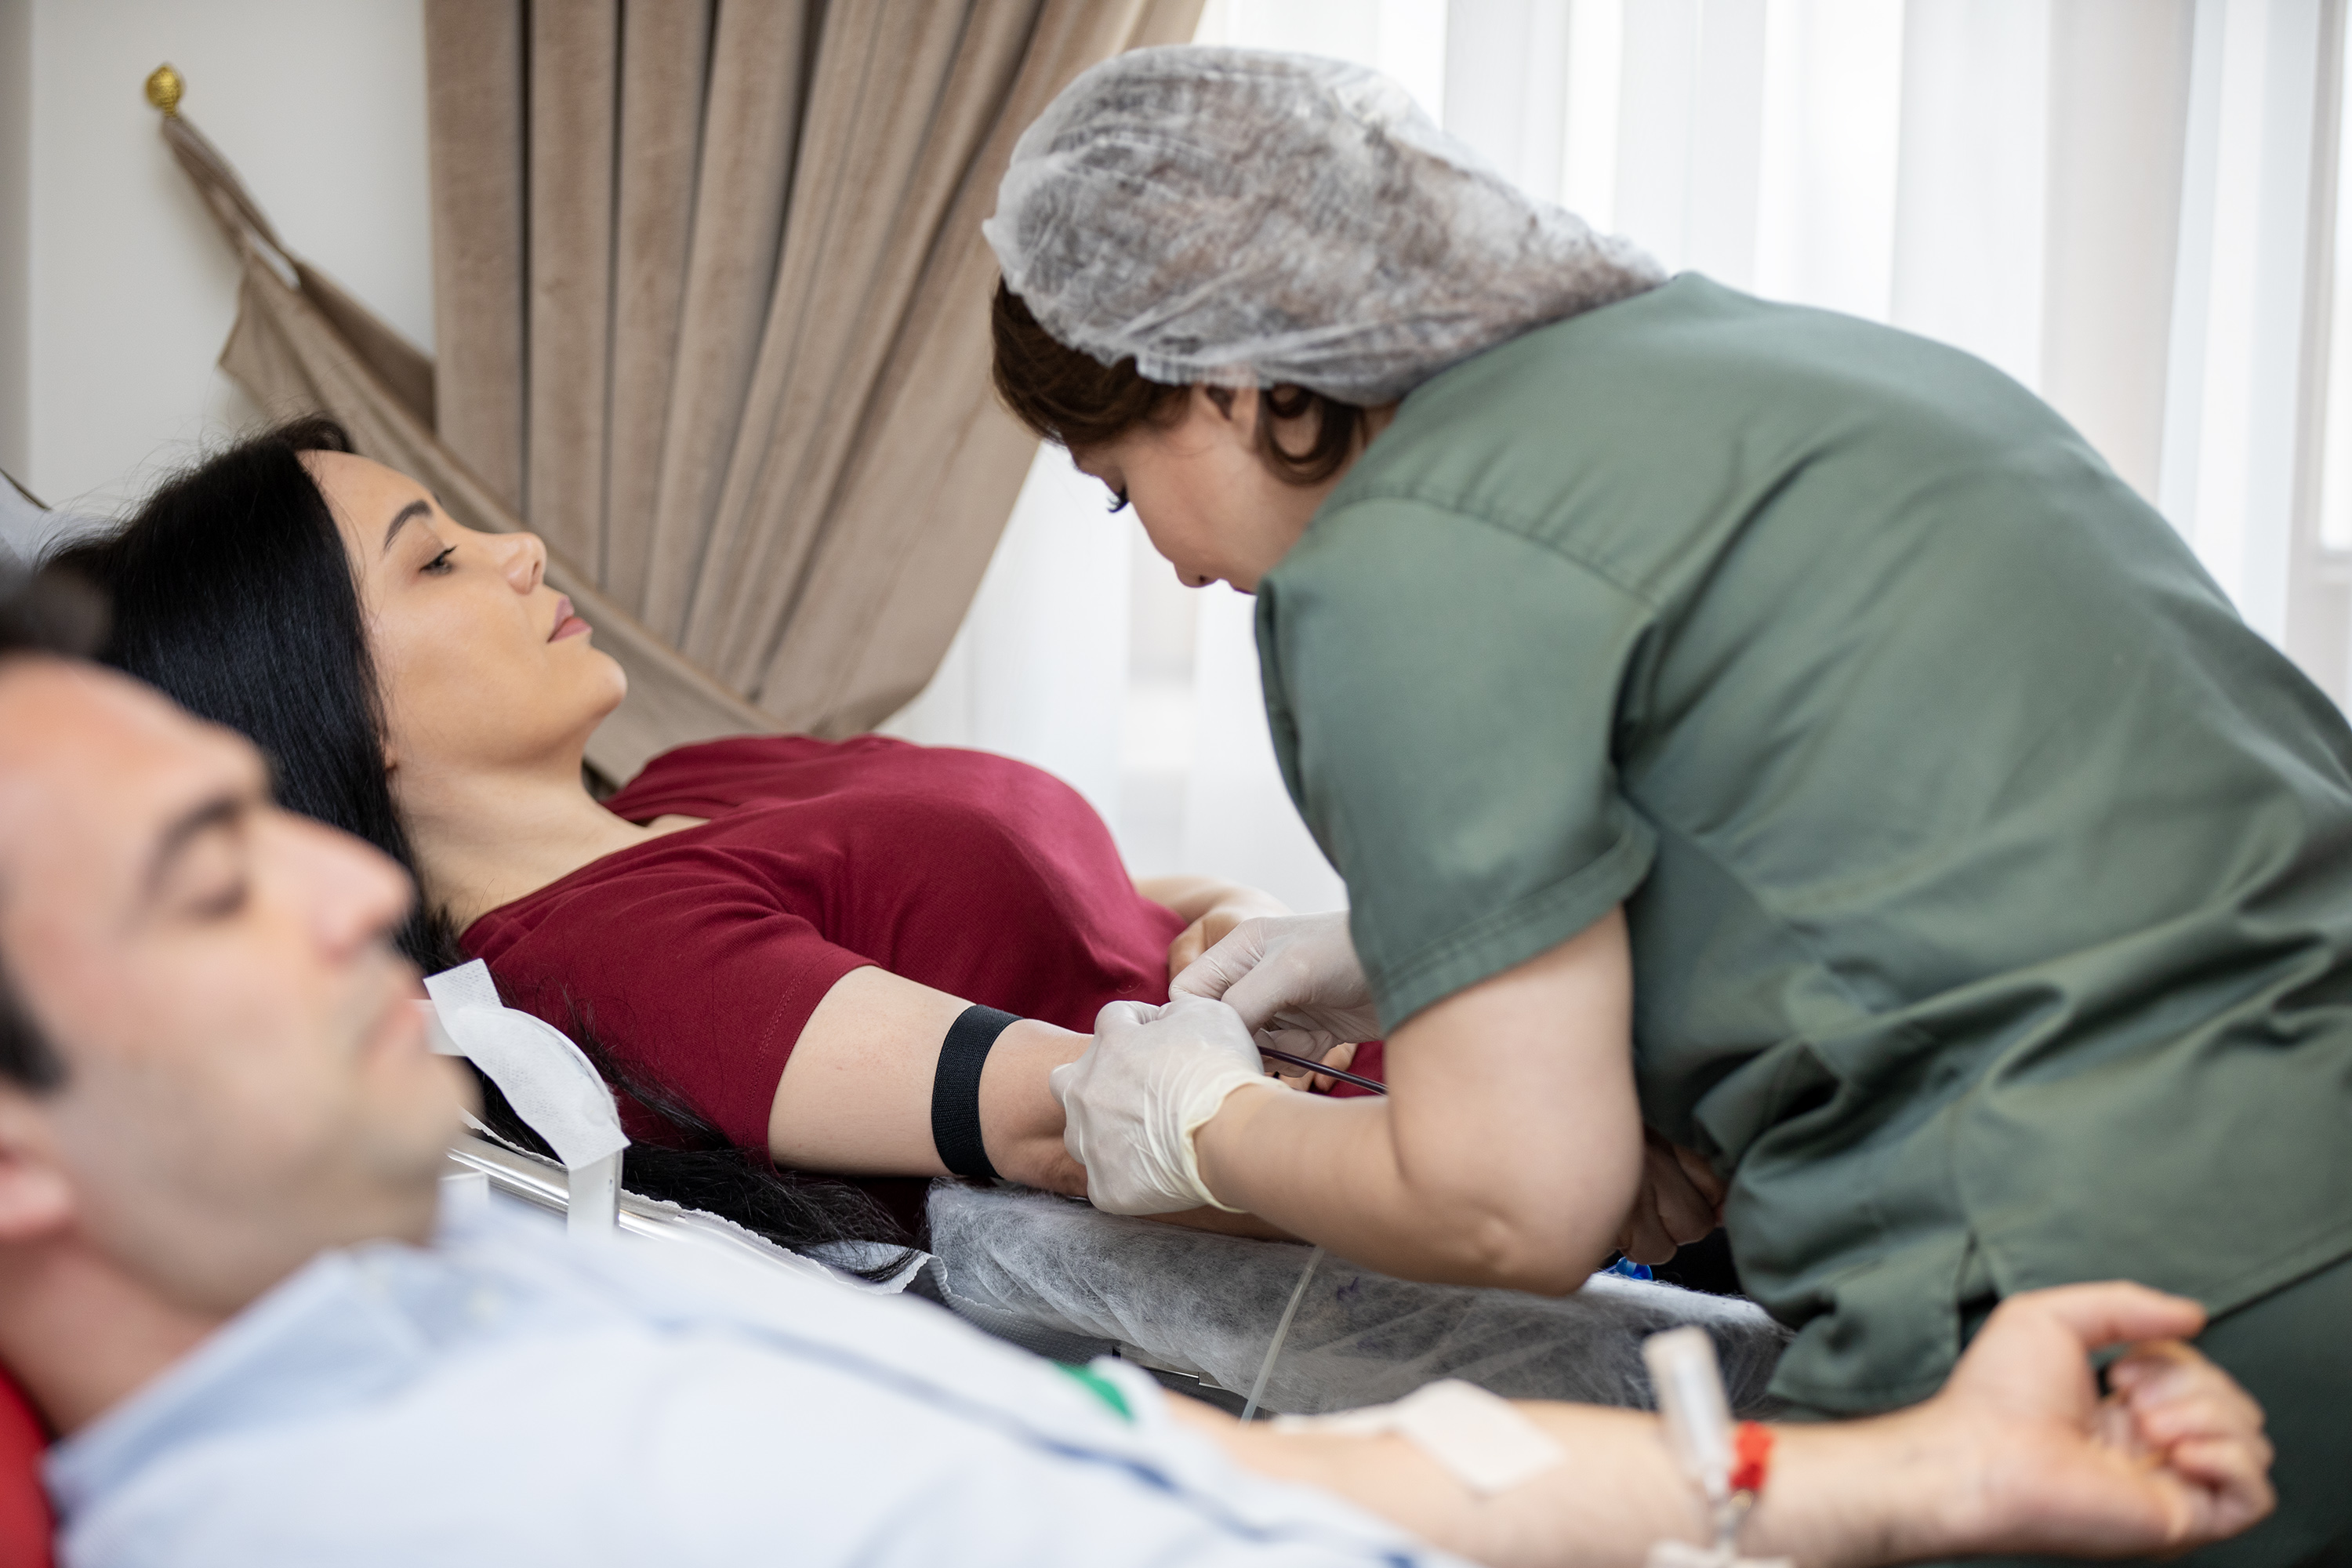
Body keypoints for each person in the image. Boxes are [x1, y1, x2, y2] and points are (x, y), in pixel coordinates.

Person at [0, 564, 2280, 1567]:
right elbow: (1058, 1120)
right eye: (211, 883)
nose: (344, 897)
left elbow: (1294, 1485)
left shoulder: (512, 1276)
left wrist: (1912, 1481)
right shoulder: (358, 1517)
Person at [983, 46, 2352, 1564]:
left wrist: (1202, 1125)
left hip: (2110, 1294)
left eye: (1123, 487)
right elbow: (1901, 819)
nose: (1172, 563)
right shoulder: (1786, 368)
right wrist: (1421, 951)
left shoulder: (1393, 566)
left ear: (1221, 376)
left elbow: (1511, 1207)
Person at [51, 417, 1334, 1258]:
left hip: (1358, 1067)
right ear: (341, 708)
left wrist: (1244, 921)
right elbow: (1084, 1123)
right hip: (1360, 1168)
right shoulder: (621, 960)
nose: (519, 550)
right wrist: (1409, 1155)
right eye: (435, 562)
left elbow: (1093, 898)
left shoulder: (699, 780)